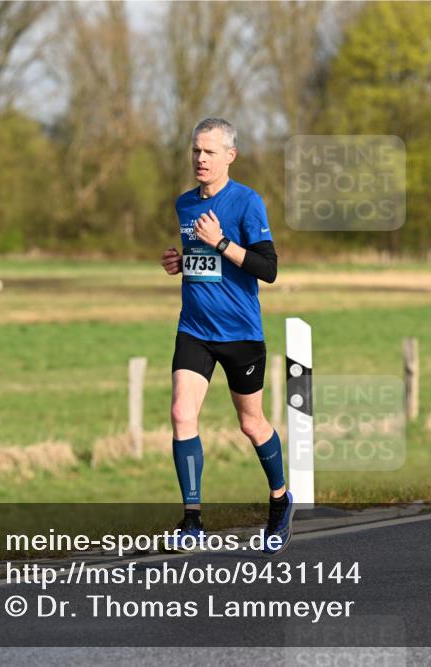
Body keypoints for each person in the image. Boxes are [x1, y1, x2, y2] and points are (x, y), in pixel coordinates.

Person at [160, 117, 294, 552]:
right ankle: (193, 520)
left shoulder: (248, 203)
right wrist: (181, 262)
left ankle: (279, 501)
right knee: (182, 413)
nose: (200, 158)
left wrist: (221, 243)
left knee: (251, 423)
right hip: (195, 328)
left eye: (210, 152)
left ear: (230, 156)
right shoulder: (184, 204)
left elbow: (268, 270)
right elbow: (202, 260)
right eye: (196, 150)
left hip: (240, 333)